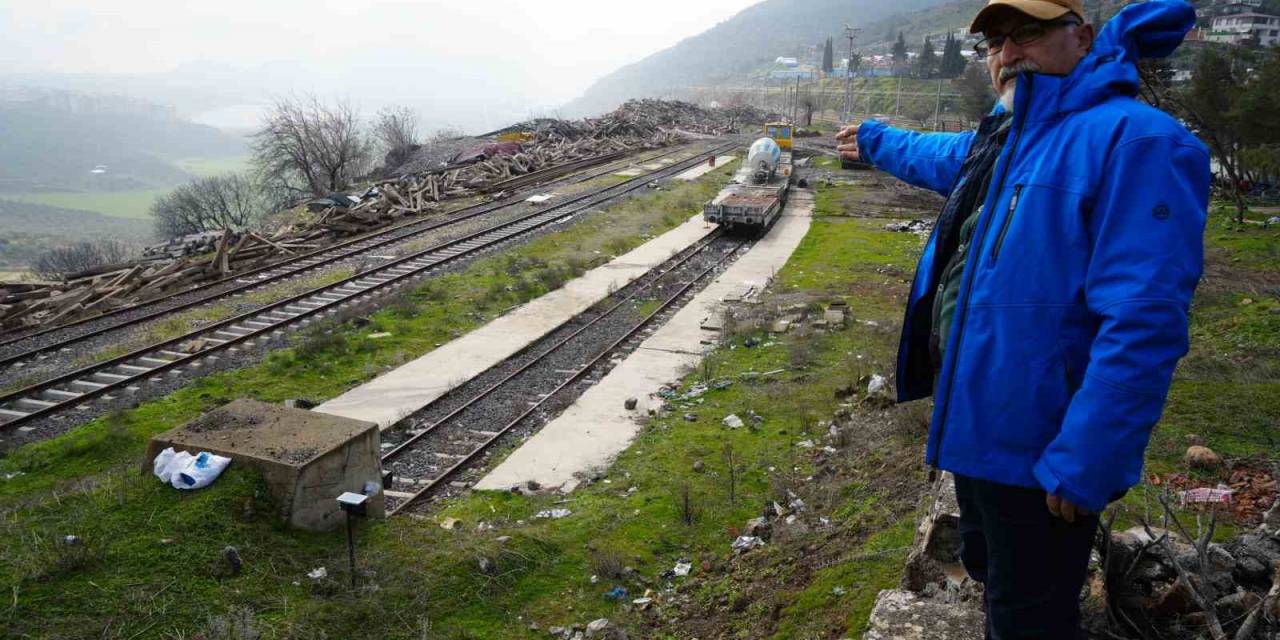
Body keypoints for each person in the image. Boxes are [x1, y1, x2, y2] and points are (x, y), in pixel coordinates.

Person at [834, 0, 1208, 637]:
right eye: (995, 42)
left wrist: (1089, 456)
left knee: (1027, 613)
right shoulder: (1010, 142)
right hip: (979, 430)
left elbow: (1143, 323)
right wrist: (874, 140)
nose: (1007, 54)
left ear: (1081, 37)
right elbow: (938, 154)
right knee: (989, 567)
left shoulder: (1138, 141)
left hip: (1044, 451)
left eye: (1028, 34)